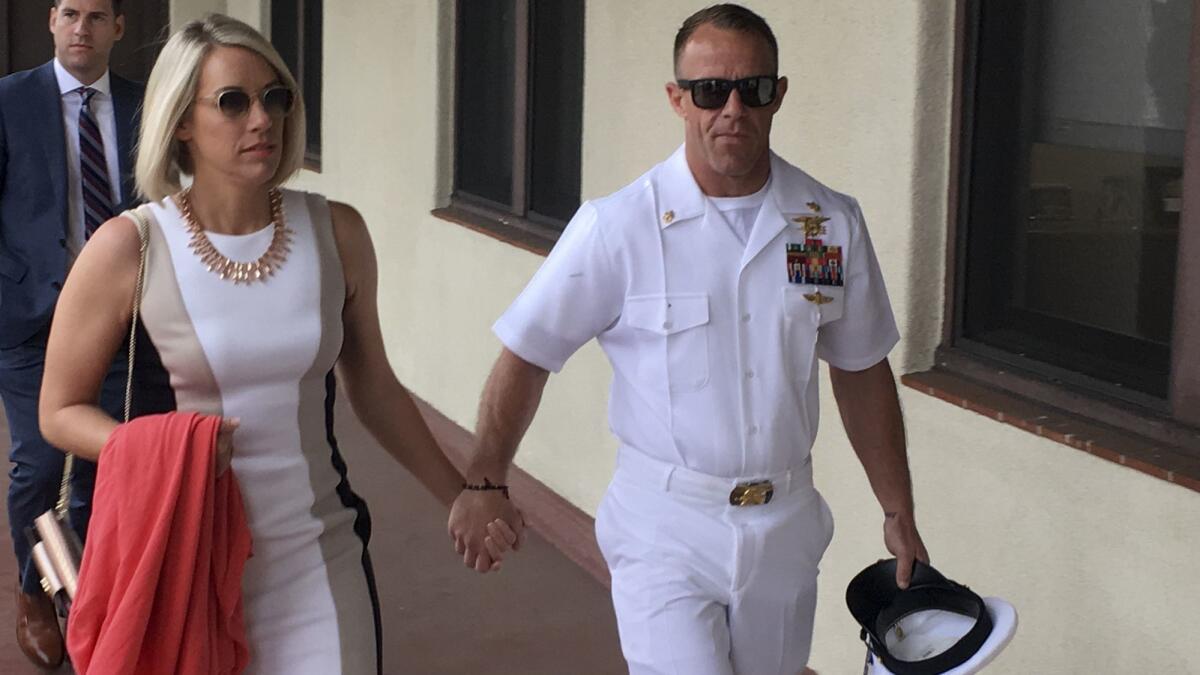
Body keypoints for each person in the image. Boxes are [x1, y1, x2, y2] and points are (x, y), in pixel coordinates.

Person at [447, 4, 929, 674]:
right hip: (664, 525)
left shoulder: (824, 223)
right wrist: (484, 480)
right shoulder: (618, 228)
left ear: (778, 95)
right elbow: (527, 352)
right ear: (678, 99)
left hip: (784, 522)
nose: (733, 108)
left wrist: (897, 507)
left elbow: (860, 368)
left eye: (753, 88)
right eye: (710, 91)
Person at [38, 14, 521, 674]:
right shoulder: (131, 246)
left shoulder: (337, 233)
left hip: (318, 558)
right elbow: (58, 409)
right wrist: (163, 446)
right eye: (232, 102)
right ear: (181, 119)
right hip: (187, 562)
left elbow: (373, 385)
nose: (262, 119)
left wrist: (460, 491)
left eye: (276, 97)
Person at [0, 0, 173, 668]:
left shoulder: (145, 104)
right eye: (71, 12)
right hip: (32, 316)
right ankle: (34, 591)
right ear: (51, 21)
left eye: (98, 16)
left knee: (113, 461)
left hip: (125, 316)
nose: (83, 27)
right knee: (38, 465)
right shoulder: (10, 101)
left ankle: (89, 590)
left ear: (118, 28)